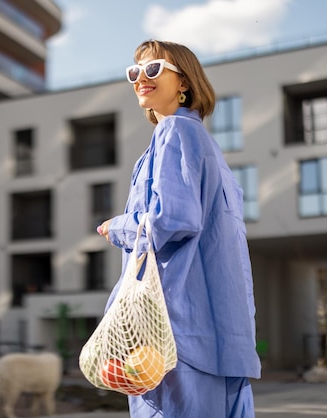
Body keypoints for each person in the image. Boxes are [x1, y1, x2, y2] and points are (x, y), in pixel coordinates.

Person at [97, 40, 262, 417]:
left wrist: (116, 227)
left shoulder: (174, 133)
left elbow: (171, 220)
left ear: (184, 82)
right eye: (134, 72)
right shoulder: (205, 146)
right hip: (215, 332)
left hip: (174, 329)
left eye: (154, 69)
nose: (141, 78)